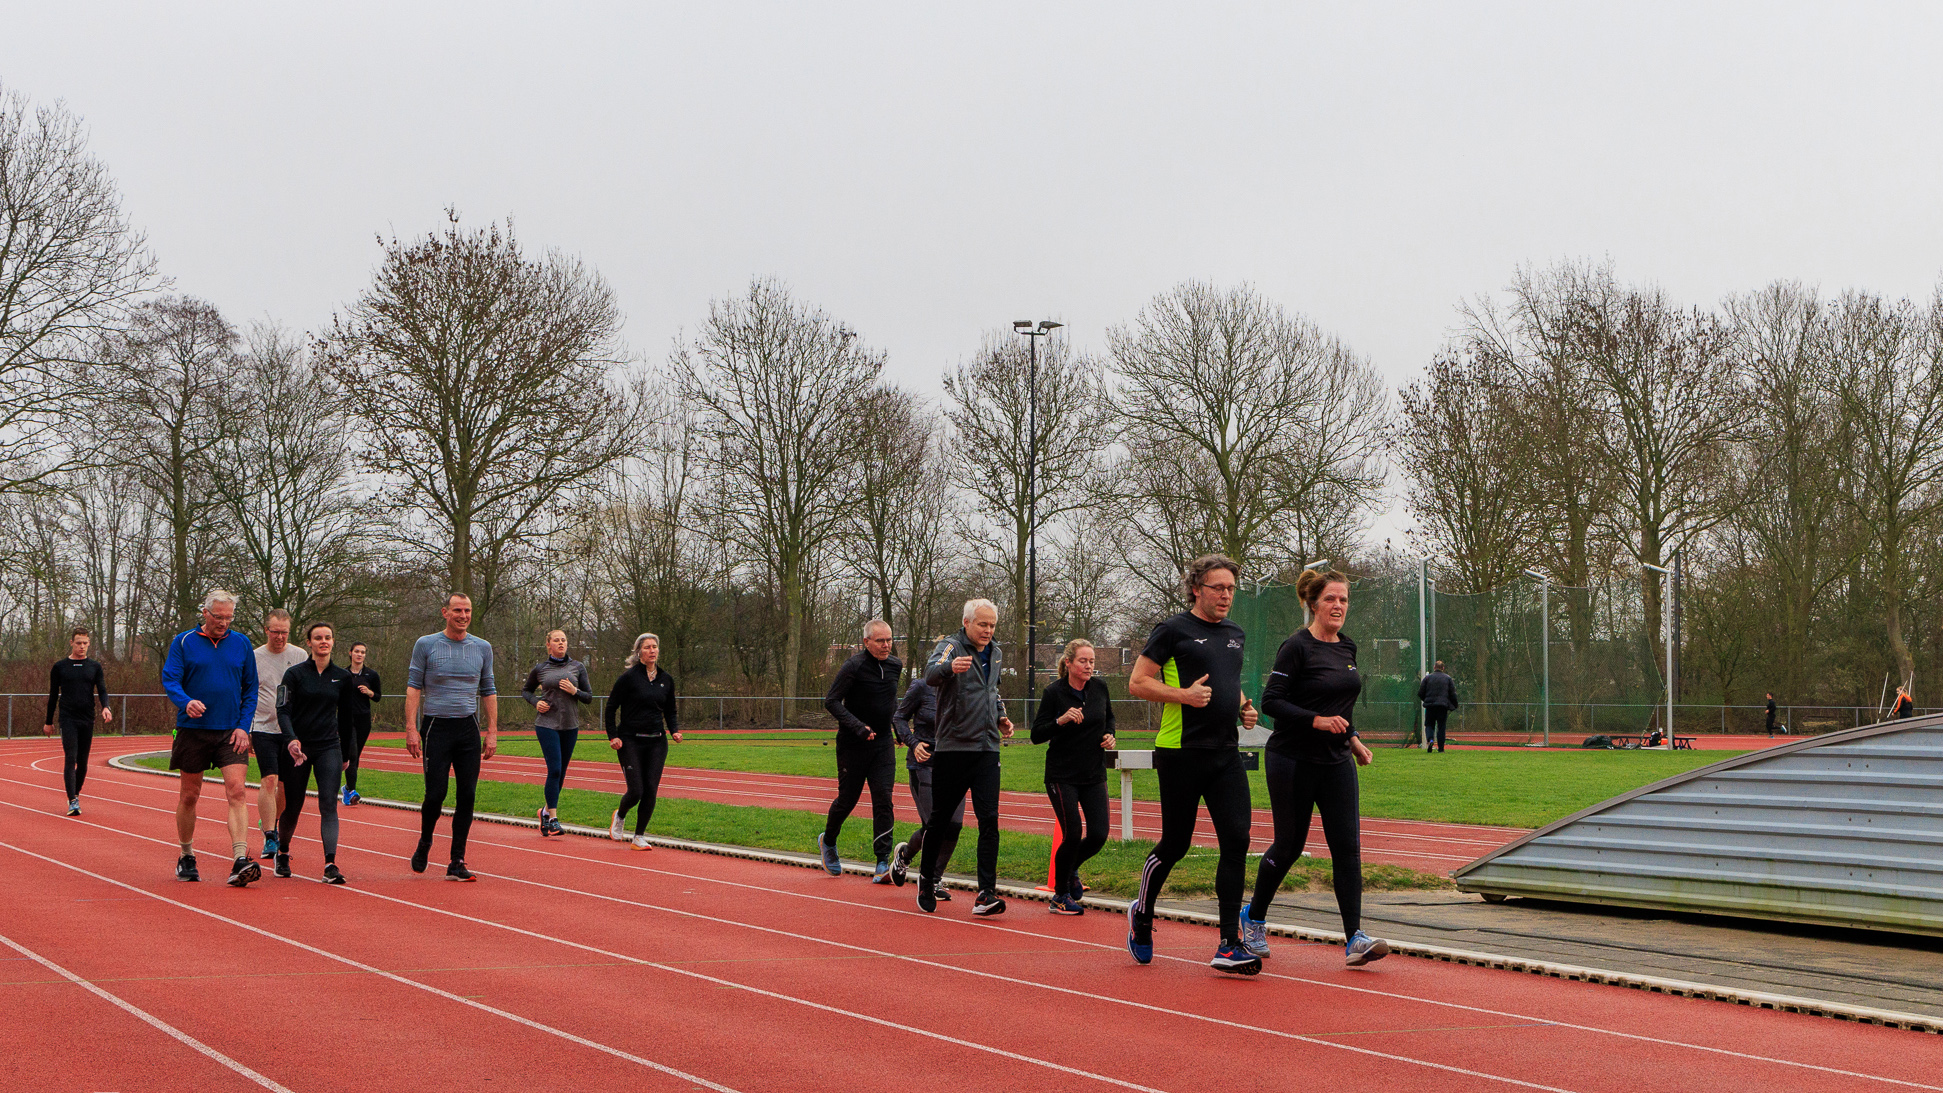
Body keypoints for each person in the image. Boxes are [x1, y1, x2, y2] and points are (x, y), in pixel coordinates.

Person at [1238, 567, 1389, 969]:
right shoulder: (1296, 647)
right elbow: (1272, 702)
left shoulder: (1347, 648)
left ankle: (1355, 937)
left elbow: (1342, 704)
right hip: (1292, 758)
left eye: (1343, 600)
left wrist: (1352, 738)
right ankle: (1252, 916)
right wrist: (1315, 720)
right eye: (1330, 600)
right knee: (1288, 846)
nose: (1338, 606)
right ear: (1312, 604)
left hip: (1336, 759)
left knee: (1348, 849)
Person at [1126, 554, 1261, 975]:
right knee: (1176, 844)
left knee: (1237, 839)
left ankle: (1228, 943)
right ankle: (1142, 914)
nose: (1226, 596)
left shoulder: (1236, 634)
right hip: (1180, 751)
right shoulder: (1172, 630)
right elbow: (1137, 682)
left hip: (1224, 754)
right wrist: (1183, 695)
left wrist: (1242, 706)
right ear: (1196, 588)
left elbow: (1228, 682)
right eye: (1218, 588)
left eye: (1231, 589)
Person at [916, 599, 1015, 917]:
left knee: (990, 822)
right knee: (940, 821)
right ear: (967, 622)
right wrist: (949, 668)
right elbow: (929, 675)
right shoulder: (950, 645)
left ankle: (986, 893)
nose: (988, 630)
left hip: (988, 748)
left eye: (992, 625)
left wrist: (1001, 717)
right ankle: (926, 880)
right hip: (954, 748)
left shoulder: (996, 653)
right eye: (983, 624)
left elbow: (993, 691)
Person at [160, 589, 260, 887]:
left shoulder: (241, 644)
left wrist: (244, 726)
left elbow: (251, 689)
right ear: (205, 613)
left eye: (229, 617)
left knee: (237, 791)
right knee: (190, 795)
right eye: (219, 617)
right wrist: (185, 701)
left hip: (231, 730)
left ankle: (240, 858)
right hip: (193, 730)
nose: (224, 622)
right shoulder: (184, 642)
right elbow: (170, 679)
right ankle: (187, 854)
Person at [404, 593, 498, 881]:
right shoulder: (427, 644)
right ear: (445, 612)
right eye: (457, 610)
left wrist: (492, 731)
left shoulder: (482, 648)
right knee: (436, 794)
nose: (463, 615)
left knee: (467, 795)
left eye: (467, 610)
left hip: (468, 728)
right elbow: (413, 688)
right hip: (436, 727)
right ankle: (426, 840)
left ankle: (457, 859)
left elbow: (489, 690)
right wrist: (410, 728)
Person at [1030, 638, 1115, 916]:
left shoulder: (1100, 688)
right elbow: (1036, 734)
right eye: (1083, 660)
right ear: (1069, 663)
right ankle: (1060, 895)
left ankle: (1070, 868)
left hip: (1093, 772)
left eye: (1092, 661)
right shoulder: (1054, 692)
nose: (1089, 666)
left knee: (1099, 834)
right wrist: (1061, 720)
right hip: (1061, 774)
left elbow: (1110, 718)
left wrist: (1109, 735)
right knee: (1073, 832)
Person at [818, 619, 903, 882]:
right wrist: (858, 727)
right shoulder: (853, 666)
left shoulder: (895, 666)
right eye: (880, 641)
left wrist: (898, 727)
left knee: (883, 799)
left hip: (882, 744)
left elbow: (890, 700)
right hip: (853, 744)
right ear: (866, 642)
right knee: (848, 799)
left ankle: (882, 861)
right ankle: (828, 841)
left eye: (889, 640)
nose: (886, 645)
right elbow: (831, 701)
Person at [275, 622, 352, 884]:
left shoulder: (343, 677)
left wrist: (347, 753)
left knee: (328, 803)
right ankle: (282, 852)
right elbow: (283, 710)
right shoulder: (294, 675)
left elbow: (348, 718)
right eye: (318, 638)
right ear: (309, 642)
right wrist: (291, 739)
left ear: (333, 642)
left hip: (328, 746)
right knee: (293, 805)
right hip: (298, 748)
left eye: (328, 637)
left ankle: (330, 864)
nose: (323, 642)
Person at [889, 675, 961, 902]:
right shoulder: (922, 686)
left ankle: (935, 877)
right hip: (924, 764)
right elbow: (899, 717)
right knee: (934, 826)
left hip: (955, 765)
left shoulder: (968, 687)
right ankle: (907, 858)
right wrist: (913, 742)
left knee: (954, 826)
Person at [605, 632, 680, 849]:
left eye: (654, 647)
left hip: (657, 742)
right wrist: (613, 736)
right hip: (630, 741)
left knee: (650, 790)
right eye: (647, 647)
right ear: (639, 652)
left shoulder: (666, 679)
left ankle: (638, 836)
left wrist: (674, 730)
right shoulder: (628, 678)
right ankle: (620, 815)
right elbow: (611, 708)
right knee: (636, 790)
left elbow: (670, 711)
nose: (652, 651)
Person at [522, 630, 593, 836]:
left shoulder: (578, 667)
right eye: (556, 640)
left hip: (570, 725)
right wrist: (537, 702)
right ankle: (553, 819)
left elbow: (589, 697)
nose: (561, 643)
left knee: (560, 772)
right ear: (548, 645)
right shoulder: (541, 668)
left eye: (563, 640)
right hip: (546, 724)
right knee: (554, 769)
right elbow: (526, 690)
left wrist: (575, 691)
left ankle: (544, 812)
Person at [251, 609, 309, 859]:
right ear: (266, 630)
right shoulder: (253, 657)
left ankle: (271, 822)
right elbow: (248, 694)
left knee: (284, 788)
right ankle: (270, 837)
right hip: (263, 727)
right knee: (269, 780)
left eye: (284, 632)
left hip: (290, 731)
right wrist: (247, 729)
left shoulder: (299, 655)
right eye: (275, 632)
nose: (280, 637)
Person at [44, 626, 112, 816]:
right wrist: (48, 721)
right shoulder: (60, 667)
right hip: (68, 718)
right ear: (71, 643)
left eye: (85, 643)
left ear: (89, 644)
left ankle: (75, 793)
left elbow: (103, 690)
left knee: (83, 762)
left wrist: (106, 707)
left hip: (87, 718)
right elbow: (52, 696)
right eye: (78, 643)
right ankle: (72, 800)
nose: (82, 646)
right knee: (70, 758)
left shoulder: (95, 667)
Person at [340, 642, 382, 804]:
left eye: (363, 652)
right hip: (346, 719)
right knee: (351, 753)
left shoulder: (371, 675)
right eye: (357, 651)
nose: (360, 654)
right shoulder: (342, 674)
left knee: (356, 756)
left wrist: (369, 692)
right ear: (350, 653)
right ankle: (351, 791)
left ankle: (347, 789)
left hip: (363, 719)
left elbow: (378, 696)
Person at [1417, 660, 1458, 753]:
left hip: (1430, 706)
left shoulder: (1427, 678)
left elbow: (1420, 692)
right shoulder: (1448, 679)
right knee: (1441, 727)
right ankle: (1441, 748)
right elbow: (1453, 694)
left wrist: (1426, 699)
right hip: (1442, 706)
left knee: (1429, 724)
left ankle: (1430, 739)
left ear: (1434, 667)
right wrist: (1454, 705)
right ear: (1443, 668)